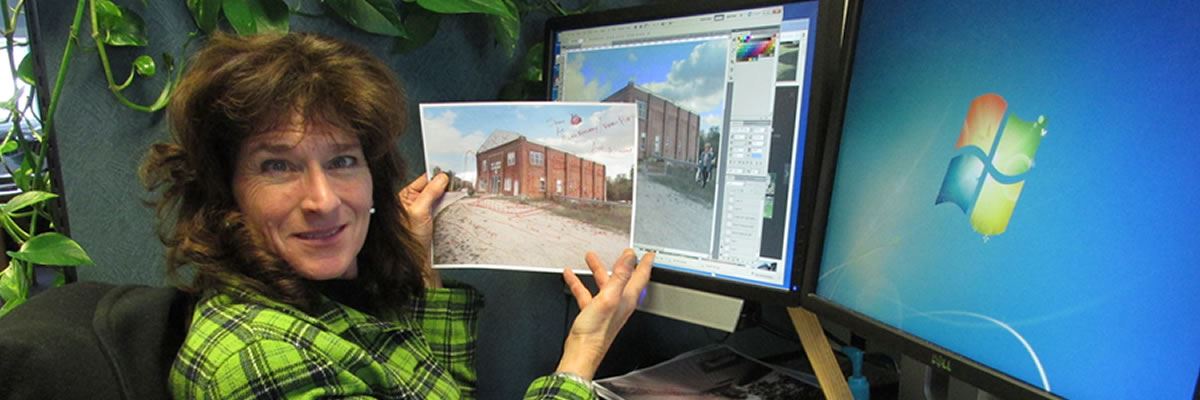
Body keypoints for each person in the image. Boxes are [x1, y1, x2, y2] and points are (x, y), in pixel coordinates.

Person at [140, 32, 653, 399]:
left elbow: (436, 388)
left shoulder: (321, 300)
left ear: (372, 177)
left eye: (342, 160)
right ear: (224, 190)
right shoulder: (261, 362)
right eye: (277, 165)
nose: (322, 199)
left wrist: (418, 261)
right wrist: (582, 354)